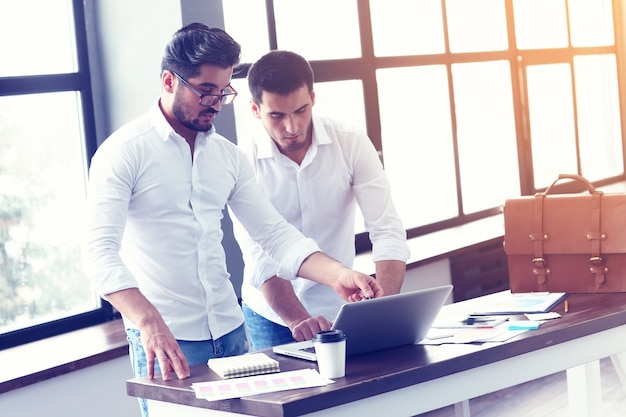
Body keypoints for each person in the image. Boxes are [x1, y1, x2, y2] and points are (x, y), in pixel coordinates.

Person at [82, 24, 382, 417]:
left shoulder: (227, 157)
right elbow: (98, 254)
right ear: (169, 81)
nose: (216, 103)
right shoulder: (123, 153)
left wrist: (338, 274)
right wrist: (147, 319)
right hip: (167, 340)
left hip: (231, 334)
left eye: (223, 91)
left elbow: (274, 235)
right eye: (206, 90)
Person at [233, 50, 410, 351]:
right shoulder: (241, 161)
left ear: (313, 98)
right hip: (272, 313)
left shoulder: (350, 142)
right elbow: (259, 257)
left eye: (301, 110)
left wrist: (383, 310)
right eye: (277, 115)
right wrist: (298, 318)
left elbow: (387, 230)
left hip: (339, 307)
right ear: (254, 109)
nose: (292, 127)